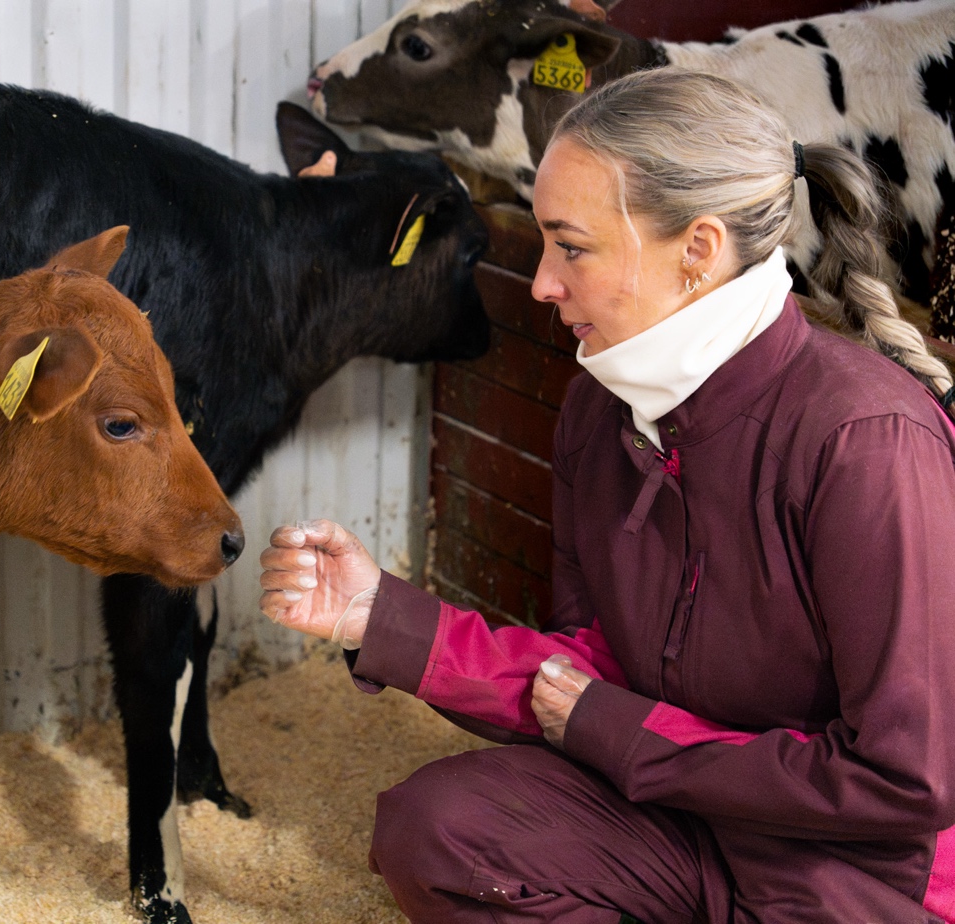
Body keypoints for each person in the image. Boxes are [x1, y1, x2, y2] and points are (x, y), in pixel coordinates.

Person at [259, 67, 955, 923]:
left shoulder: (866, 439)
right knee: (435, 831)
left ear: (697, 251)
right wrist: (382, 619)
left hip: (850, 875)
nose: (543, 282)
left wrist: (630, 739)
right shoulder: (600, 407)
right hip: (676, 820)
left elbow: (907, 780)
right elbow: (581, 672)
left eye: (572, 246)